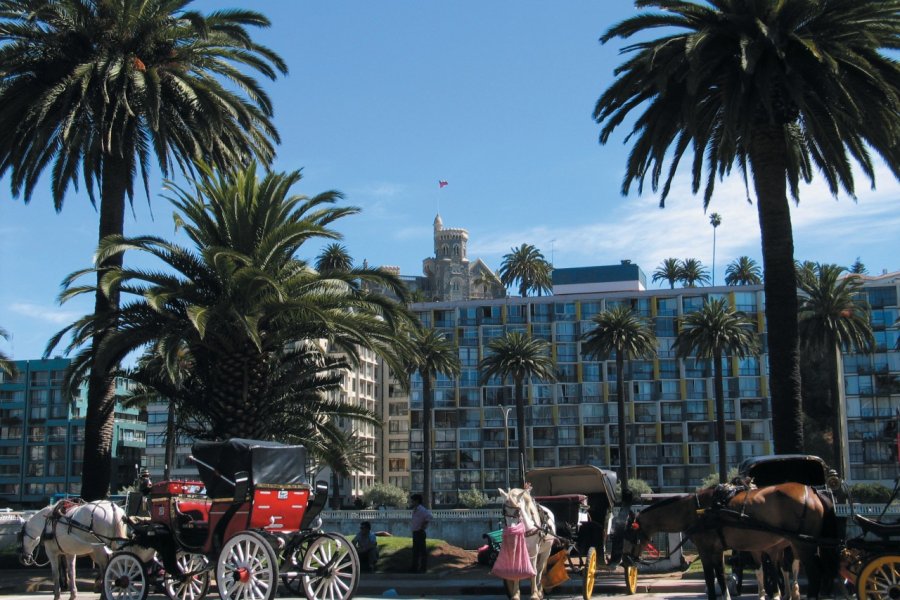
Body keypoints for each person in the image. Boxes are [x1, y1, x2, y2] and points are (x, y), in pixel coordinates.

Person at [409, 493, 432, 573]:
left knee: (422, 551)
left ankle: (423, 568)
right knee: (415, 551)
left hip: (420, 532)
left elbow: (429, 516)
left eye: (413, 501)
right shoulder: (415, 510)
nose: (411, 502)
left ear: (417, 501)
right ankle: (414, 568)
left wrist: (423, 525)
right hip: (415, 532)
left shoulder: (421, 509)